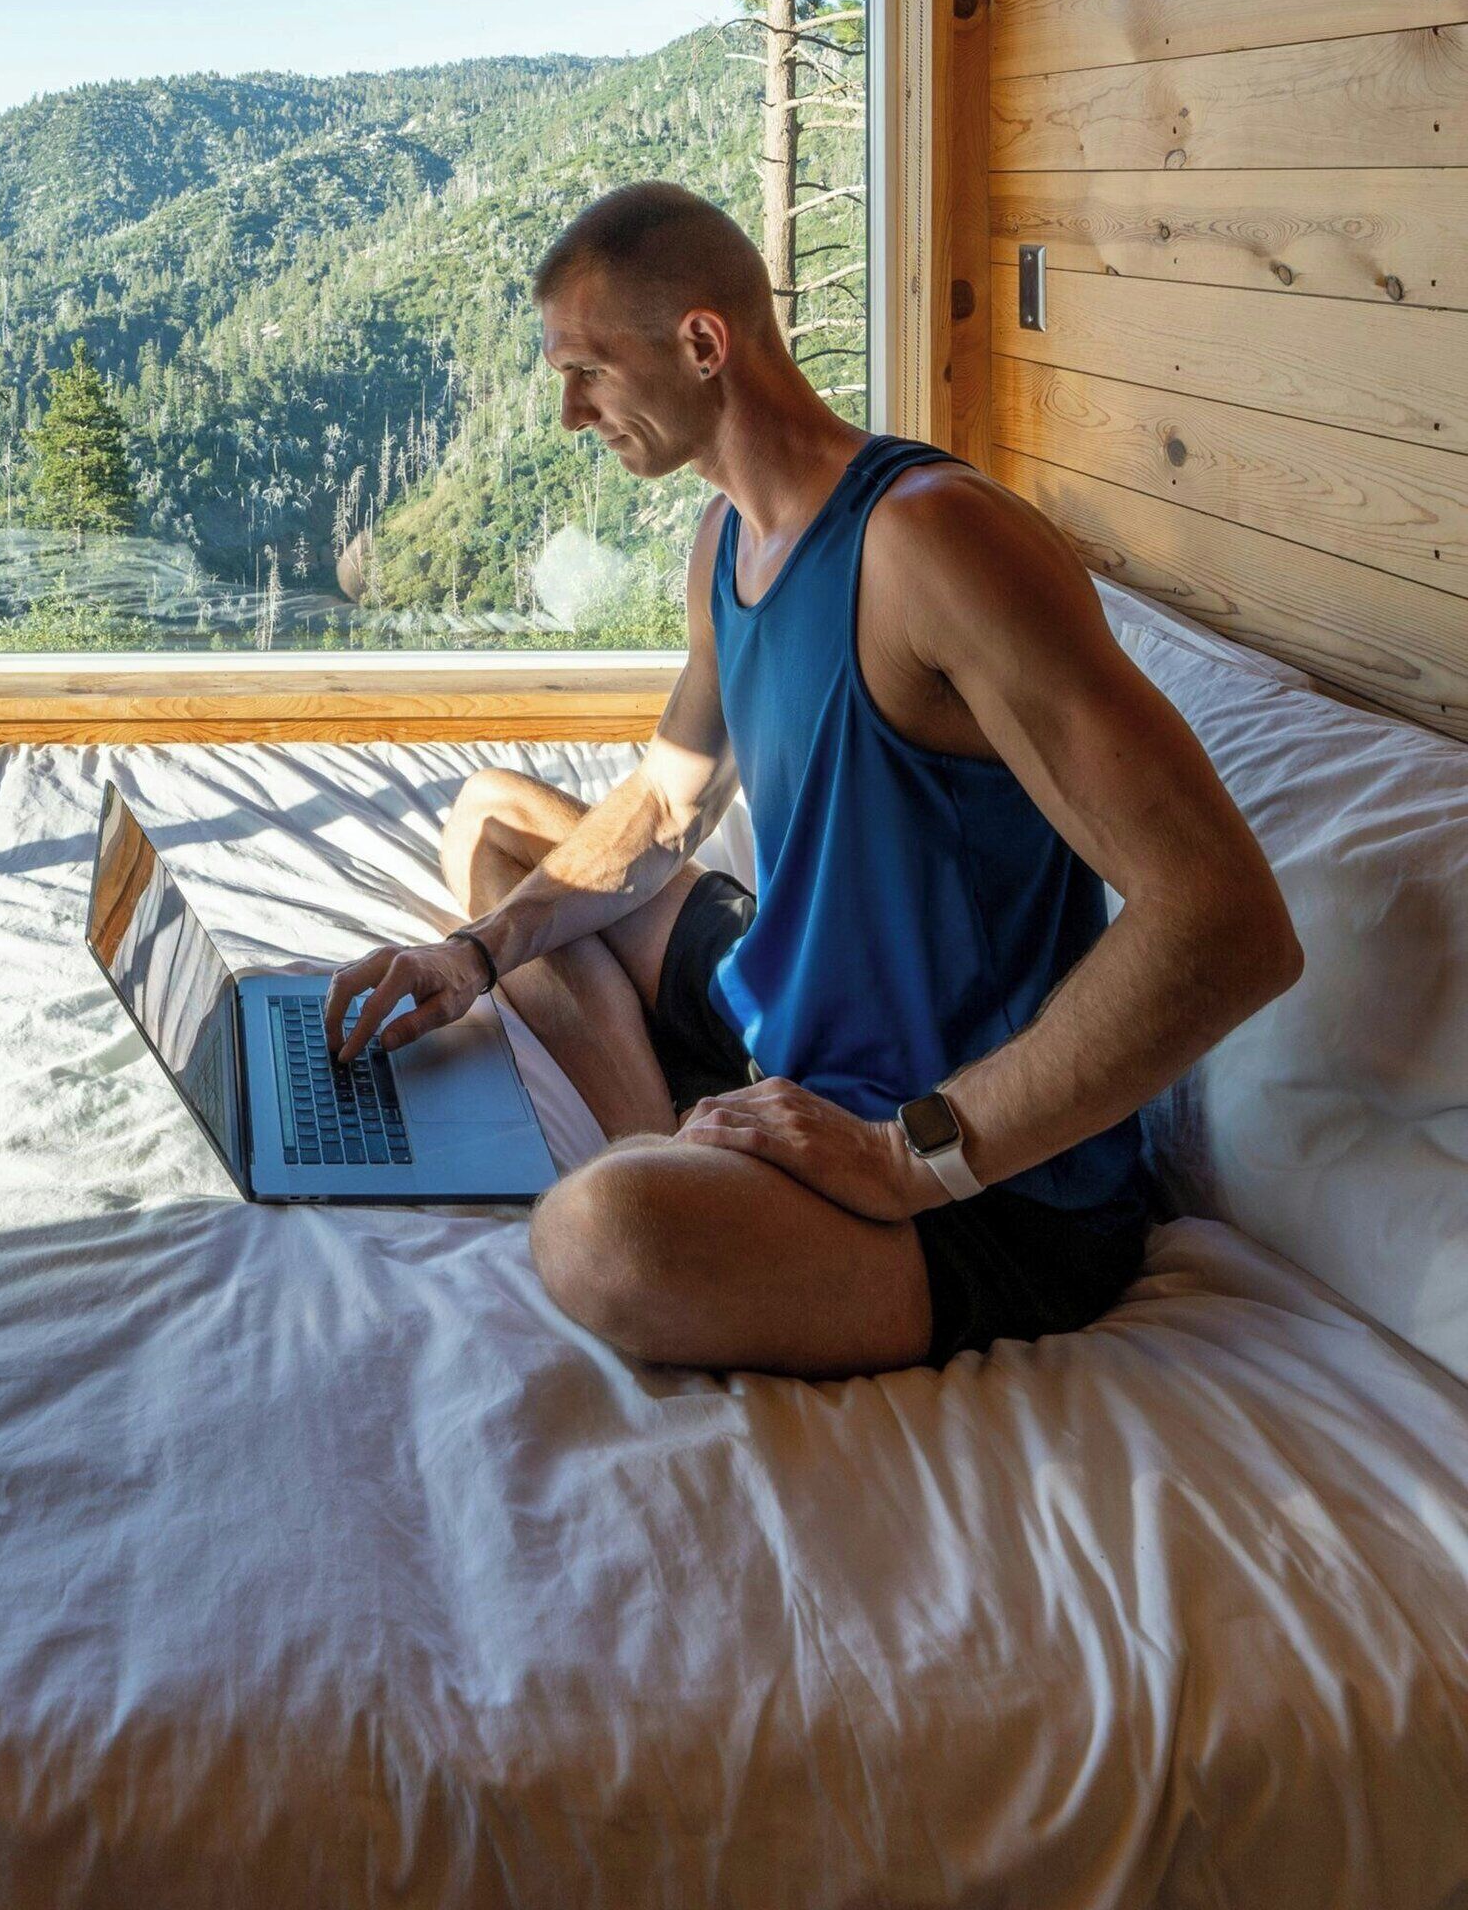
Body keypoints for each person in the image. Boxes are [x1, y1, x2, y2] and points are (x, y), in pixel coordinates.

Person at [324, 183, 1302, 1376]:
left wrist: (903, 1156)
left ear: (700, 343)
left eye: (585, 370)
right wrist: (470, 955)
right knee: (492, 822)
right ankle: (679, 1141)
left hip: (973, 1175)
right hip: (782, 1026)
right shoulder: (725, 539)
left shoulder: (936, 544)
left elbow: (1228, 925)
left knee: (597, 1236)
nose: (569, 414)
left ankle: (670, 1175)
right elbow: (671, 802)